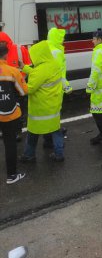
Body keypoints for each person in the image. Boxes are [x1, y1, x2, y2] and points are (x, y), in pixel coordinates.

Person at [20, 40, 65, 162]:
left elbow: (29, 89)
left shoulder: (40, 70)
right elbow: (40, 74)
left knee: (32, 133)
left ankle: (29, 155)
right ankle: (59, 154)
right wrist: (24, 67)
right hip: (53, 105)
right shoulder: (53, 64)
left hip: (40, 108)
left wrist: (18, 80)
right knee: (56, 130)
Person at [0, 42, 28, 184]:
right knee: (10, 143)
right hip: (9, 114)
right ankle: (11, 175)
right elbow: (23, 91)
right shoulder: (12, 71)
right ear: (5, 54)